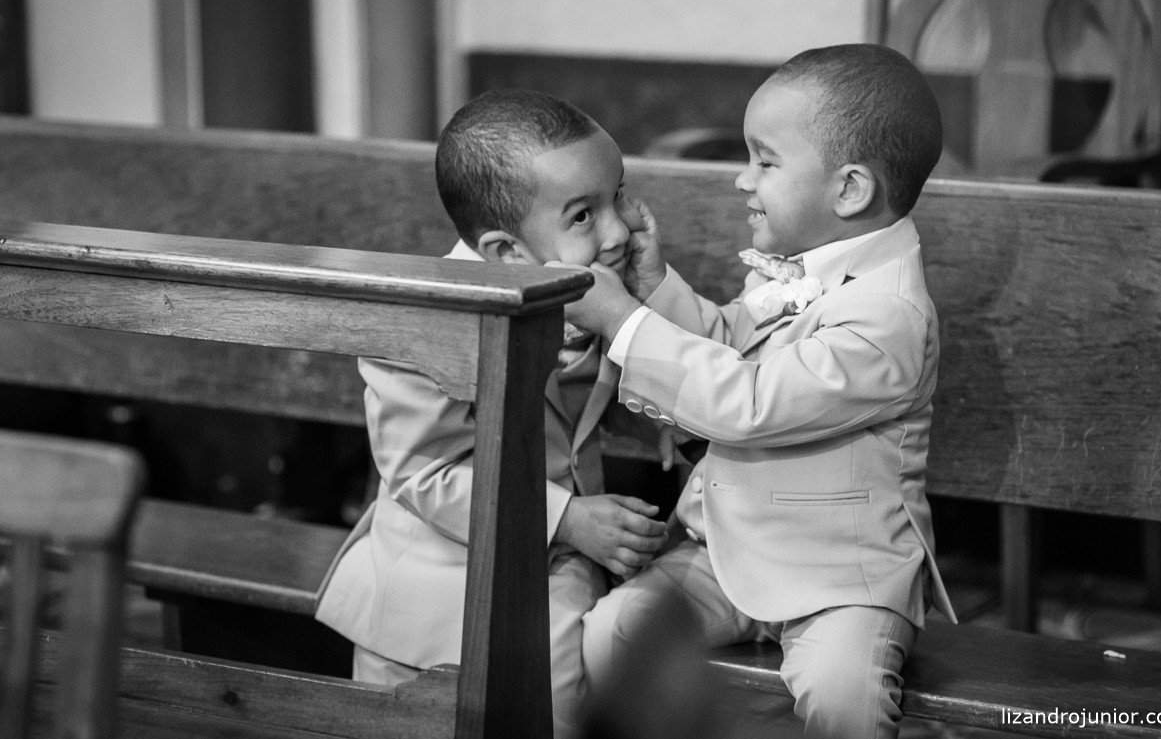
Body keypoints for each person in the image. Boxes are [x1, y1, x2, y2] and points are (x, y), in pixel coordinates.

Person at [561, 44, 958, 738]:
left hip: (841, 583)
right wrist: (654, 289)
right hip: (723, 554)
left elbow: (749, 402)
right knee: (609, 635)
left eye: (765, 162)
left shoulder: (890, 315)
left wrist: (622, 320)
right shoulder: (794, 269)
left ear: (850, 190)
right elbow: (728, 350)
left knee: (846, 700)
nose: (744, 181)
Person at [315, 89, 669, 739]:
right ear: (506, 253)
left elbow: (646, 401)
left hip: (556, 567)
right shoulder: (418, 324)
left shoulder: (595, 292)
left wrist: (648, 302)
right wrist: (570, 518)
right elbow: (424, 474)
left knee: (567, 693)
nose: (619, 230)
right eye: (585, 216)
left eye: (618, 196)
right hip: (440, 583)